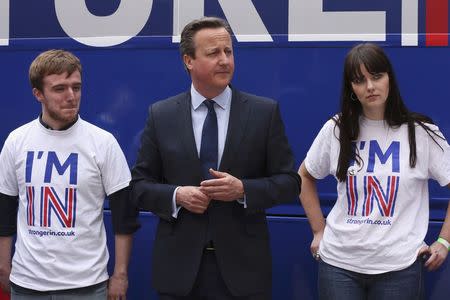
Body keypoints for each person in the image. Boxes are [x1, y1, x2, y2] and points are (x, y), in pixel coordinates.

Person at [131, 17, 300, 299]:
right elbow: (138, 187)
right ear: (189, 61)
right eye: (213, 53)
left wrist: (243, 190)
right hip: (180, 272)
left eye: (228, 52)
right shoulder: (161, 115)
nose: (224, 60)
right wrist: (177, 195)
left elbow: (290, 182)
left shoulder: (263, 113)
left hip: (244, 272)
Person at [298, 43, 450, 300]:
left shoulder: (421, 132)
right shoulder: (337, 128)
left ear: (390, 78)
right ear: (351, 89)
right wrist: (318, 230)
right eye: (359, 80)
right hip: (339, 265)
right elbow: (304, 176)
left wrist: (444, 242)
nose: (369, 86)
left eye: (377, 76)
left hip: (399, 268)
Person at [0, 50, 140, 299]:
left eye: (76, 87)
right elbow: (5, 208)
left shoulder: (103, 142)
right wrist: (3, 266)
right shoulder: (16, 141)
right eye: (60, 89)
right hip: (26, 285)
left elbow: (124, 215)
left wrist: (120, 274)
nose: (71, 96)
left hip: (86, 285)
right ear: (38, 94)